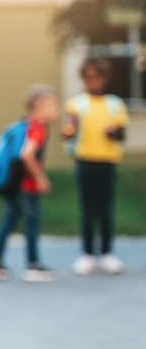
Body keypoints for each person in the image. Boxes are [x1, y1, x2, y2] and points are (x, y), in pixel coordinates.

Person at [0, 85, 60, 283]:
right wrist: (40, 178)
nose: (57, 110)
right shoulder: (37, 128)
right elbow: (26, 154)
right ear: (39, 107)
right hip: (26, 186)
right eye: (54, 105)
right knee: (32, 222)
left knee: (9, 221)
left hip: (13, 184)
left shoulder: (26, 125)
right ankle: (33, 266)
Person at [62, 58, 128, 276]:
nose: (93, 81)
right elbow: (68, 130)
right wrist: (68, 131)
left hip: (108, 160)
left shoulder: (115, 104)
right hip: (85, 159)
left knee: (106, 208)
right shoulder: (76, 104)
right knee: (88, 209)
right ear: (83, 79)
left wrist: (113, 133)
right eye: (88, 77)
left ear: (104, 79)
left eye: (97, 77)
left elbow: (122, 135)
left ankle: (108, 254)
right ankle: (87, 254)